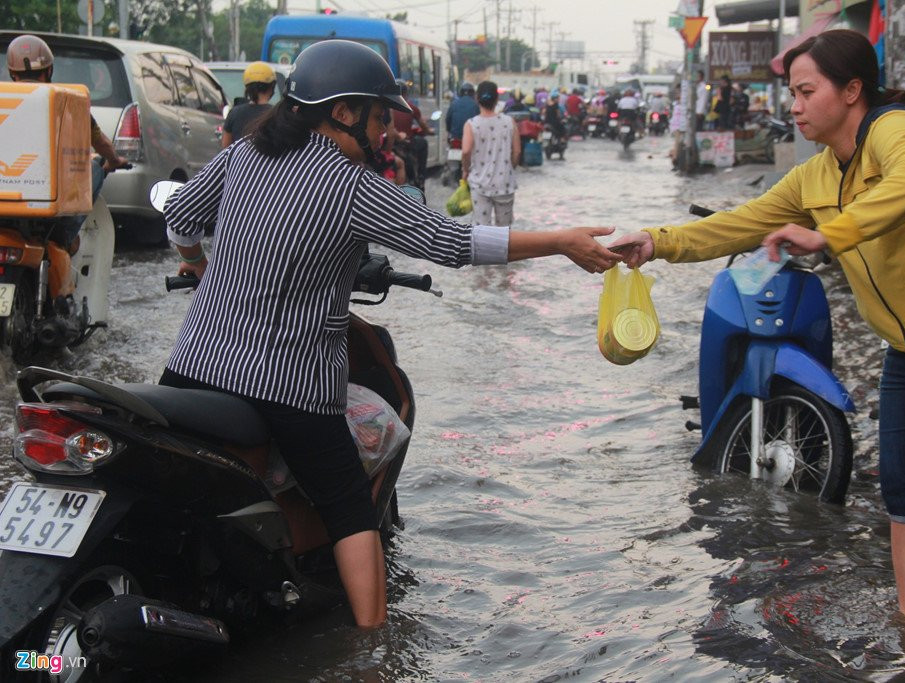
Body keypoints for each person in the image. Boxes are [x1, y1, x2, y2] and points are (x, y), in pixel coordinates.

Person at [160, 42, 619, 629]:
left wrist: (197, 264)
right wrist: (557, 241)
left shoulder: (244, 152)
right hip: (288, 382)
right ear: (343, 112)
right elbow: (453, 243)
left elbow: (180, 218)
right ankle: (371, 647)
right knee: (349, 506)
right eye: (381, 115)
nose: (385, 130)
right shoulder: (350, 186)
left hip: (193, 364)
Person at [607, 29, 905, 625]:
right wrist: (656, 241)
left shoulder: (897, 131)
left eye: (806, 91)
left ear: (853, 90)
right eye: (792, 93)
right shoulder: (816, 175)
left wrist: (831, 233)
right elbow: (740, 223)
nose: (794, 106)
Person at [6, 33, 129, 251]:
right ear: (49, 70)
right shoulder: (68, 100)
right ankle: (64, 240)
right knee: (92, 169)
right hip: (48, 207)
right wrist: (114, 160)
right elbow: (101, 144)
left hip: (5, 203)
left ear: (11, 72)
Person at [461, 81, 521, 227]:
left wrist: (465, 170)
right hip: (504, 184)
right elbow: (517, 151)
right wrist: (509, 166)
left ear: (477, 98)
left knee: (481, 230)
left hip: (479, 184)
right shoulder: (509, 122)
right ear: (496, 100)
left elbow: (466, 151)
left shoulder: (471, 124)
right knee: (505, 231)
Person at [222, 61, 276, 148]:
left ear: (247, 88)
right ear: (272, 87)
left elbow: (225, 146)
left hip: (239, 161)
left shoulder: (235, 113)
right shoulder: (276, 114)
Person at [390, 82, 434, 187]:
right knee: (423, 143)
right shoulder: (411, 108)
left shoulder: (386, 108)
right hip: (405, 144)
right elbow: (423, 126)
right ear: (405, 94)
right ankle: (421, 177)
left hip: (390, 146)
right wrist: (429, 131)